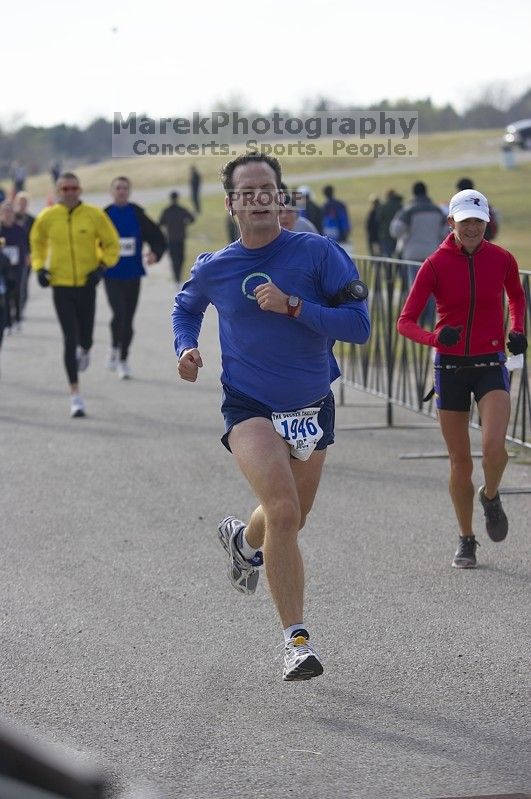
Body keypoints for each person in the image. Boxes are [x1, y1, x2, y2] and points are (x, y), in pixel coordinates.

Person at [172, 153, 370, 681]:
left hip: (311, 404)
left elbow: (360, 326)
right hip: (249, 405)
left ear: (281, 197)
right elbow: (185, 307)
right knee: (283, 511)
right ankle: (296, 642)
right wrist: (186, 347)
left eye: (268, 189)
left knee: (288, 518)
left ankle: (241, 542)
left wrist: (295, 307)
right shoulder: (217, 266)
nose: (260, 198)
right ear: (231, 204)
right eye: (248, 191)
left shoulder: (320, 255)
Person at [397, 189, 527, 569]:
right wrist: (437, 338)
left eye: (478, 221)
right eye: (464, 221)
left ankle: (491, 495)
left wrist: (518, 330)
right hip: (450, 368)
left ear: (487, 223)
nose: (472, 228)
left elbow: (517, 298)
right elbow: (404, 322)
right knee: (460, 463)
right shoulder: (434, 265)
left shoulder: (502, 259)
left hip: (490, 362)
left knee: (494, 448)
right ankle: (466, 538)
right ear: (450, 223)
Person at [30, 172, 120, 418]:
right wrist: (39, 267)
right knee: (69, 337)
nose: (69, 192)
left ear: (80, 190)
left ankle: (87, 348)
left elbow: (112, 243)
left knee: (86, 338)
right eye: (65, 188)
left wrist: (101, 267)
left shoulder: (94, 214)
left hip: (86, 284)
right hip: (60, 285)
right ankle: (75, 396)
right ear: (59, 191)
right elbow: (37, 244)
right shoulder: (47, 217)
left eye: (73, 188)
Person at [103, 176, 166, 378]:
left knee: (128, 319)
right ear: (112, 192)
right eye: (118, 188)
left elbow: (156, 236)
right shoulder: (105, 215)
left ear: (129, 192)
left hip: (133, 274)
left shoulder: (137, 214)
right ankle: (114, 347)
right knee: (118, 314)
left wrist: (155, 252)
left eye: (125, 188)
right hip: (111, 274)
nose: (121, 191)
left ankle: (123, 360)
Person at [390, 181, 447, 262]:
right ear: (426, 192)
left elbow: (395, 231)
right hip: (433, 253)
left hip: (413, 254)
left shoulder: (408, 211)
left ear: (413, 193)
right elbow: (445, 232)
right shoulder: (438, 211)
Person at [0, 201, 28, 333]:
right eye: (5, 212)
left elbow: (25, 246)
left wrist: (26, 260)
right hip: (3, 267)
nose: (8, 214)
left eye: (10, 212)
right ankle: (7, 323)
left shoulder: (20, 229)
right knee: (4, 294)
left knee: (16, 292)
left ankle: (17, 317)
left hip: (17, 265)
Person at [158, 191, 195, 285]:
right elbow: (192, 219)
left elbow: (160, 222)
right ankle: (178, 276)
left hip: (171, 238)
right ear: (177, 198)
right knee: (181, 257)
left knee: (174, 258)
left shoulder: (167, 211)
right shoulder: (182, 210)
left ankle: (176, 278)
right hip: (180, 238)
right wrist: (184, 224)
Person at [14, 191, 35, 314]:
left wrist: (31, 255)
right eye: (20, 202)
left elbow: (35, 240)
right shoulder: (10, 217)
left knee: (23, 283)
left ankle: (20, 309)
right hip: (11, 257)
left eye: (24, 202)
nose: (22, 205)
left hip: (27, 256)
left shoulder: (32, 220)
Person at [377, 189, 403, 257]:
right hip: (397, 234)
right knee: (398, 255)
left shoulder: (384, 206)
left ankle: (388, 267)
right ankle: (398, 267)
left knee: (388, 255)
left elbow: (378, 219)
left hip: (385, 234)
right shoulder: (400, 205)